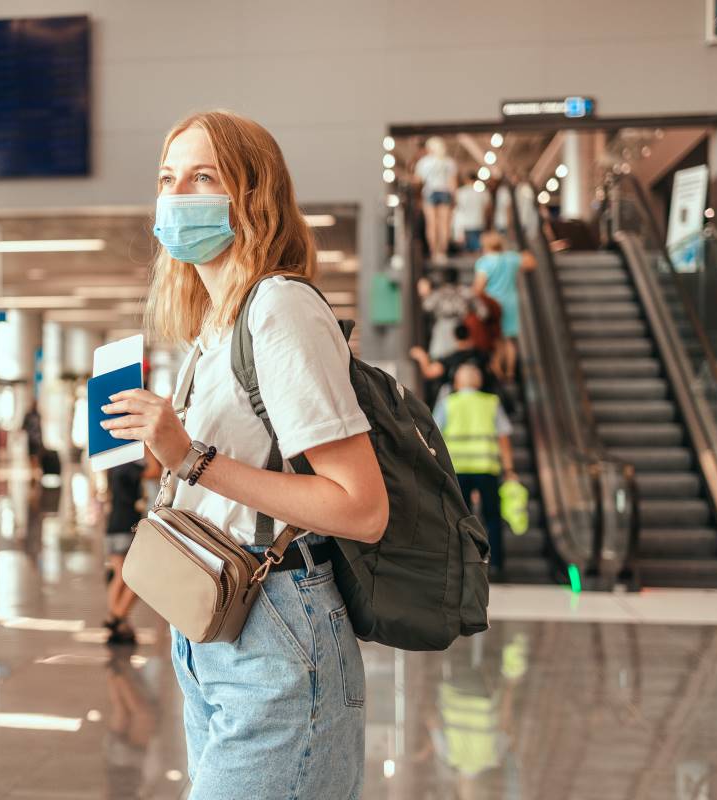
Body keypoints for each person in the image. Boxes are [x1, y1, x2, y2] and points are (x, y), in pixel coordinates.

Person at [100, 110, 388, 799]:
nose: (178, 195)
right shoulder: (214, 325)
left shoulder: (279, 309)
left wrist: (189, 456)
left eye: (204, 177)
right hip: (214, 626)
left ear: (252, 195)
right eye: (169, 179)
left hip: (278, 630)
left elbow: (360, 507)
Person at [434, 365, 515, 580]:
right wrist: (509, 469)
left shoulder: (447, 404)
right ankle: (495, 564)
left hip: (457, 470)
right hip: (486, 468)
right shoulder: (491, 403)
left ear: (457, 383)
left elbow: (435, 437)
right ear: (478, 382)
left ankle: (463, 562)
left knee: (460, 519)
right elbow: (504, 437)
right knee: (492, 518)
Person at [104, 449, 161, 645]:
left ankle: (117, 623)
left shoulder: (114, 467)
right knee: (134, 578)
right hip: (126, 528)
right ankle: (117, 617)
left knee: (118, 577)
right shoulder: (130, 467)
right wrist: (146, 446)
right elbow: (156, 471)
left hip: (112, 528)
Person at [472, 231, 536, 382]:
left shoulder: (484, 262)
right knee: (509, 338)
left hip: (493, 304)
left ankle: (497, 369)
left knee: (496, 338)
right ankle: (510, 372)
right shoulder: (511, 258)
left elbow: (478, 288)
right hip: (511, 301)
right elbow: (531, 262)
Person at [410, 323, 497, 406]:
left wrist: (421, 356)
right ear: (469, 335)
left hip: (458, 404)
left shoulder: (451, 359)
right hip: (481, 403)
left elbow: (429, 372)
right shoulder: (482, 356)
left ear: (454, 337)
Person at [418, 267, 485, 361]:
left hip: (443, 327)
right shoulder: (465, 292)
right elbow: (483, 313)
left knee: (440, 359)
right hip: (461, 327)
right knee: (461, 358)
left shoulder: (438, 293)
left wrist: (426, 294)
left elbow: (426, 307)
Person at [415, 136, 458, 265]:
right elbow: (452, 183)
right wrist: (455, 198)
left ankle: (434, 253)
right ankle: (442, 253)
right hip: (444, 192)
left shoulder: (423, 162)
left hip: (429, 192)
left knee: (431, 224)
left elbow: (418, 180)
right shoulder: (449, 162)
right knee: (444, 225)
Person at [453, 172, 490, 253]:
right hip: (479, 222)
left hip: (465, 224)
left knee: (468, 251)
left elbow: (456, 207)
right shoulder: (483, 192)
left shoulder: (460, 192)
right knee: (478, 249)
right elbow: (487, 208)